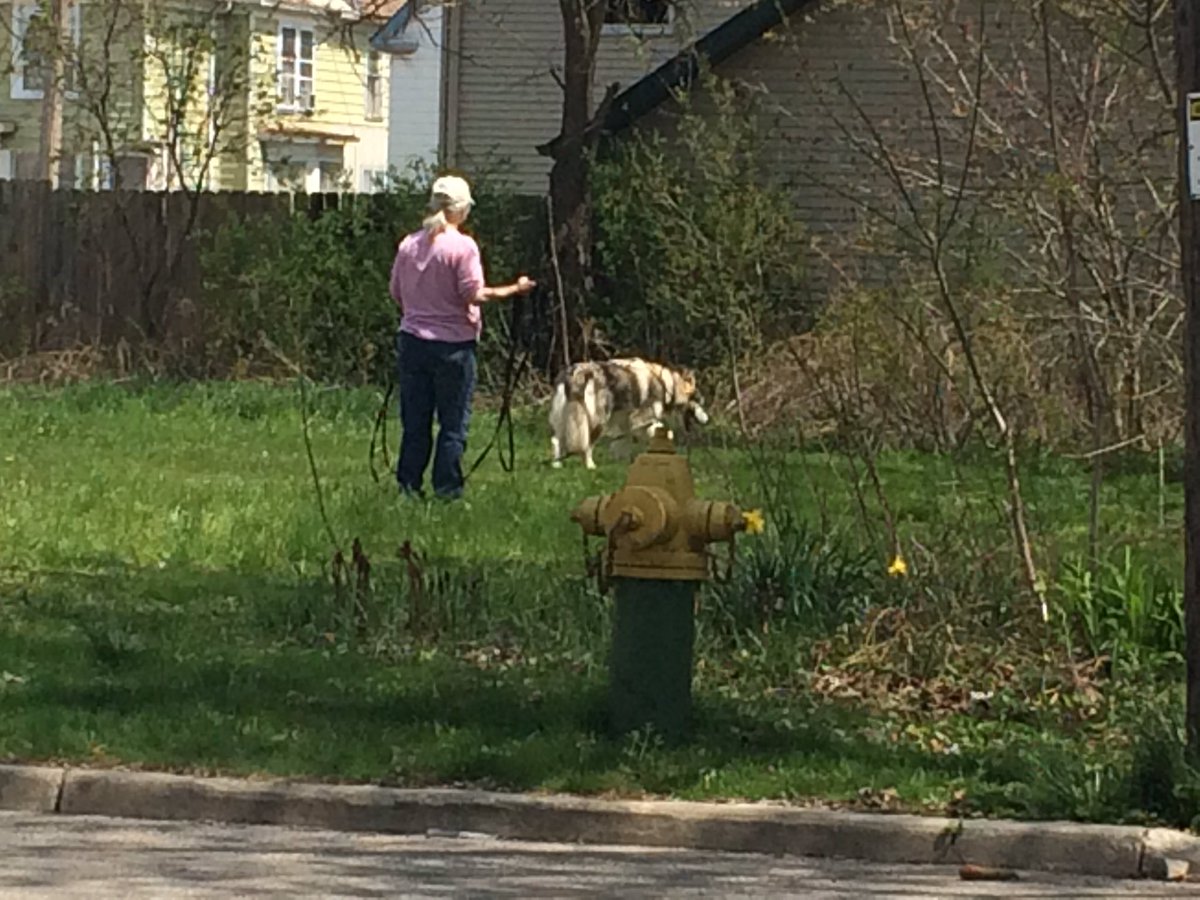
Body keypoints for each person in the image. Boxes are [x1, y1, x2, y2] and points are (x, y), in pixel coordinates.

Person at [389, 175, 536, 499]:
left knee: (416, 422)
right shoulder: (463, 247)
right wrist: (515, 289)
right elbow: (473, 294)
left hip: (412, 341)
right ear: (460, 210)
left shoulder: (409, 244)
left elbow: (396, 292)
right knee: (453, 424)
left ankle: (408, 487)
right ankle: (447, 489)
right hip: (453, 346)